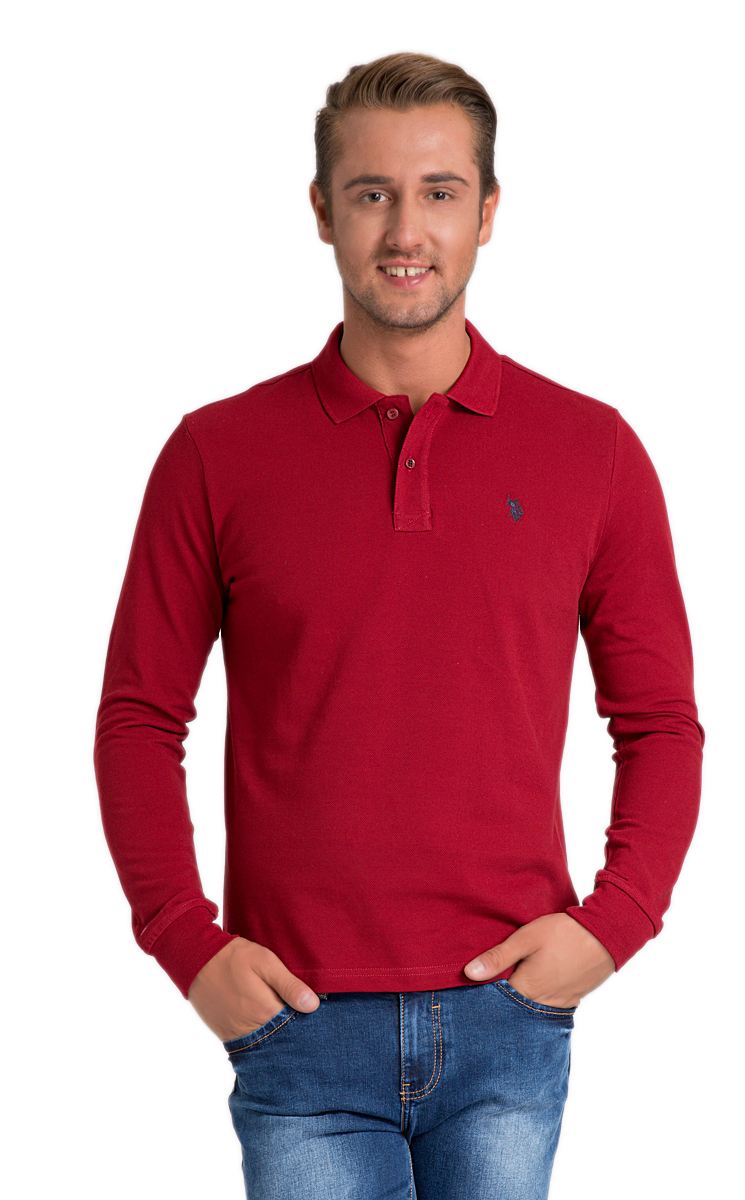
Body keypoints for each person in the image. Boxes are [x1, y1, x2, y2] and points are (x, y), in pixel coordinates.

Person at [94, 51, 704, 1200]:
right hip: (299, 1020)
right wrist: (185, 941)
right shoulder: (216, 454)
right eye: (371, 192)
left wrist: (612, 925)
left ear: (488, 211)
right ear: (322, 210)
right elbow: (138, 717)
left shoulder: (592, 452)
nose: (404, 230)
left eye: (438, 192)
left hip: (507, 1015)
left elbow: (659, 721)